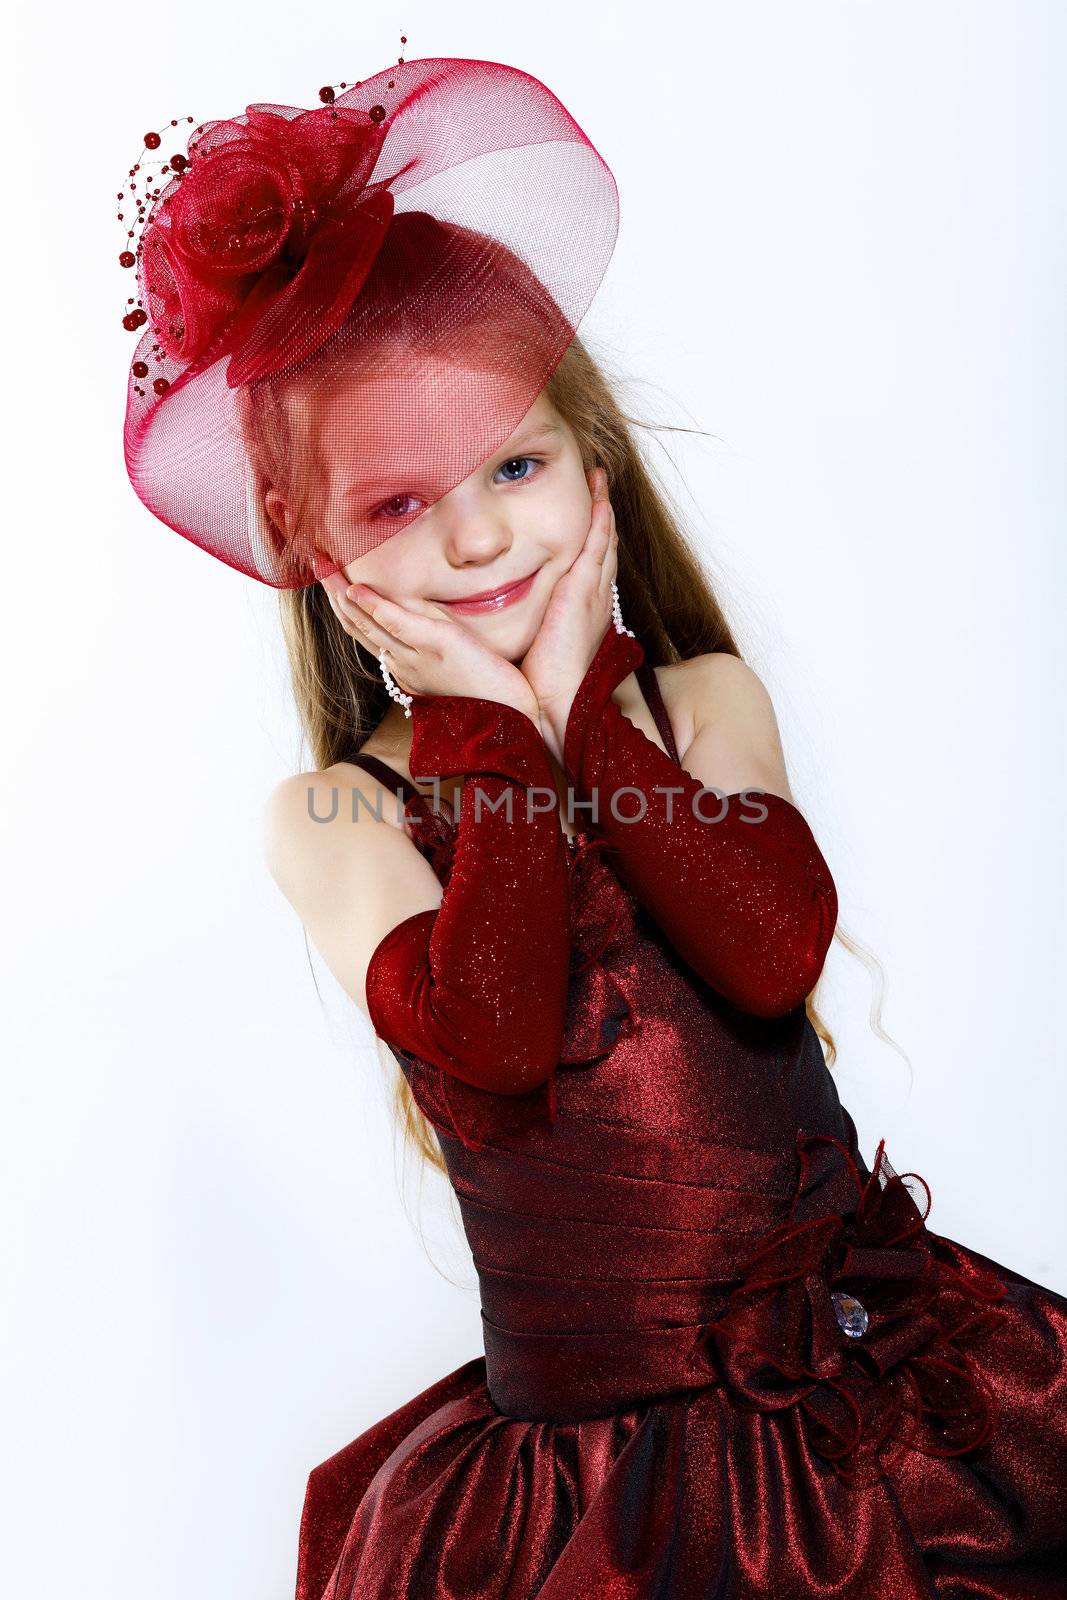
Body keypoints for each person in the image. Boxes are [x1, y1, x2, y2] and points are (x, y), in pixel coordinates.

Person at [121, 53, 1067, 1600]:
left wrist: (583, 713)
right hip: (597, 1496)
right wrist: (499, 734)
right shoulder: (340, 813)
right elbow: (487, 1035)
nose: (482, 532)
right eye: (400, 504)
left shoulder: (701, 709)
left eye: (514, 464)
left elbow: (769, 956)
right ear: (323, 560)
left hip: (859, 1425)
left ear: (595, 463)